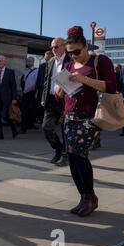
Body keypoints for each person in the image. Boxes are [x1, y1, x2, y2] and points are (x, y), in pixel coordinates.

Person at [55, 26, 117, 217]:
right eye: (69, 53)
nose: (73, 56)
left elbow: (112, 86)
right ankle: (83, 197)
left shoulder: (100, 61)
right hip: (69, 116)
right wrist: (61, 88)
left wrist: (83, 79)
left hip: (90, 117)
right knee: (72, 157)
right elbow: (59, 96)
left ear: (86, 46)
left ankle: (90, 197)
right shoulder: (68, 66)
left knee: (79, 154)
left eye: (76, 52)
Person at [41, 38, 71, 166]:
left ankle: (65, 155)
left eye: (56, 47)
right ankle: (58, 149)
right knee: (46, 127)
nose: (53, 49)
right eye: (52, 47)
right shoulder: (51, 61)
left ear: (64, 46)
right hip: (51, 100)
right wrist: (43, 97)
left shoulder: (71, 60)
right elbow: (47, 81)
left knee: (66, 129)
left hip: (66, 100)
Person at [0, 56, 18, 140]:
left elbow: (13, 86)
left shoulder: (10, 72)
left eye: (0, 61)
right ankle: (0, 134)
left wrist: (14, 98)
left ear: (4, 62)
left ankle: (14, 129)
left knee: (5, 116)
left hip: (7, 98)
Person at [20, 57, 39, 133]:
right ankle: (23, 128)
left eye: (29, 61)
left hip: (32, 93)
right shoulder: (26, 71)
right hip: (25, 93)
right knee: (24, 110)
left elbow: (36, 83)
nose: (28, 62)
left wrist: (28, 90)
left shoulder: (36, 71)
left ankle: (31, 124)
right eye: (27, 61)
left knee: (32, 110)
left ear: (33, 62)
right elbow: (24, 81)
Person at [35, 51, 53, 123]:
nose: (46, 57)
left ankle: (48, 120)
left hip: (50, 90)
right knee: (40, 106)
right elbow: (38, 78)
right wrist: (36, 90)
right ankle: (41, 119)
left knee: (48, 106)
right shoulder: (42, 66)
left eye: (47, 56)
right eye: (45, 56)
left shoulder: (54, 65)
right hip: (41, 89)